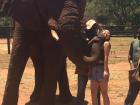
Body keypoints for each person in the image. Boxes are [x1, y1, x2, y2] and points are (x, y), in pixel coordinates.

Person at [75, 19, 101, 105]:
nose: (94, 29)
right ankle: (80, 102)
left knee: (96, 88)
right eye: (93, 27)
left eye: (95, 27)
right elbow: (80, 51)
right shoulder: (82, 37)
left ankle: (97, 103)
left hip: (95, 66)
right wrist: (91, 41)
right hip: (83, 66)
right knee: (81, 88)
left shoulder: (97, 38)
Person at [88, 29, 111, 105]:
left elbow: (106, 57)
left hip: (101, 69)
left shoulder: (106, 43)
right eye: (104, 32)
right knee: (93, 93)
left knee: (104, 93)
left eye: (107, 33)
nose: (106, 33)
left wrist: (105, 70)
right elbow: (91, 55)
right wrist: (90, 69)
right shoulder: (95, 43)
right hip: (94, 68)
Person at [124, 28, 140, 105]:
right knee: (131, 94)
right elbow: (129, 56)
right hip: (135, 72)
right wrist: (132, 67)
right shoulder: (134, 42)